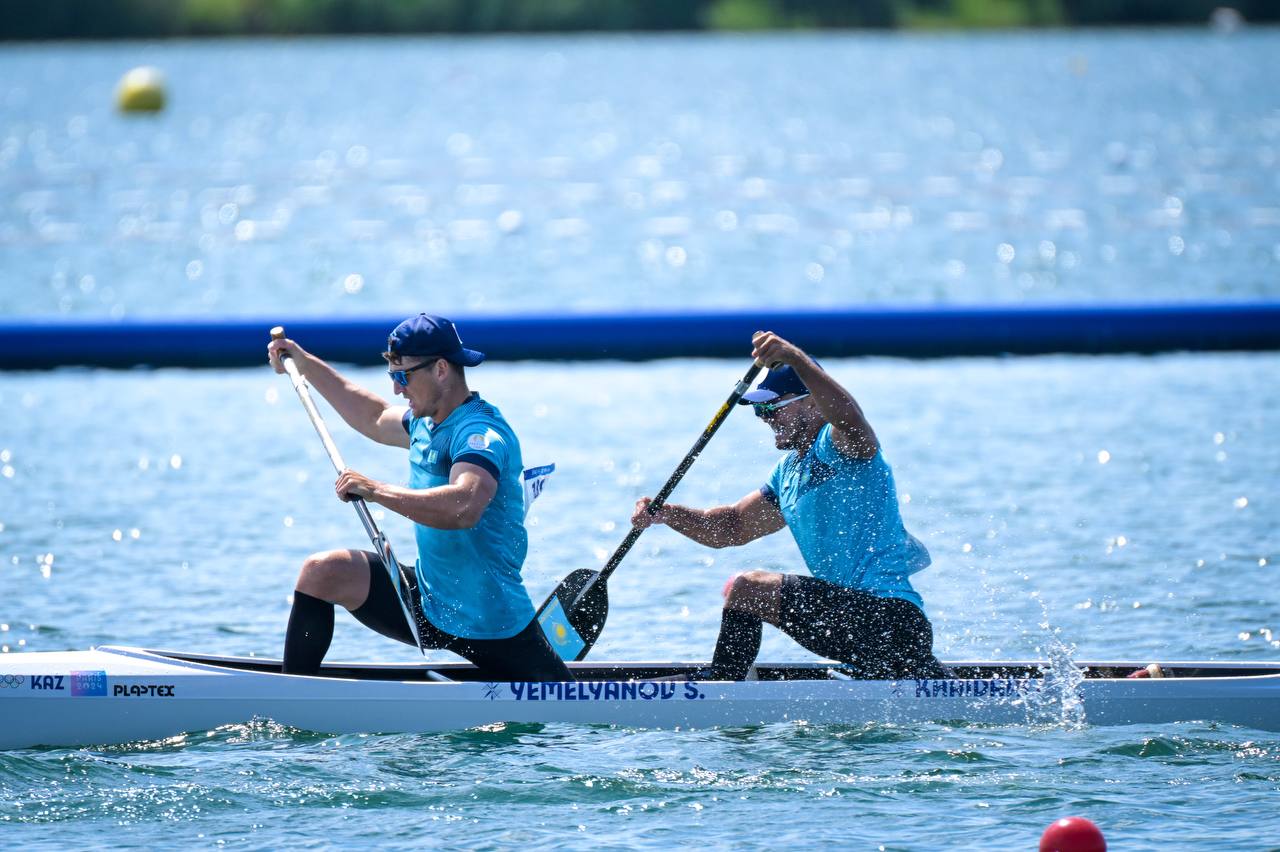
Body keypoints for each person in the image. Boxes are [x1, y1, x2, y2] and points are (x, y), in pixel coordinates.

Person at [267, 313, 572, 681]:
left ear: (441, 370)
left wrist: (376, 490)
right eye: (392, 376)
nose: (397, 389)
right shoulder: (424, 424)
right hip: (429, 602)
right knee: (323, 573)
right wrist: (303, 362)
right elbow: (374, 416)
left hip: (493, 623)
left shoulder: (480, 434)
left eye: (403, 376)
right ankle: (290, 696)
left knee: (557, 692)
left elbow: (465, 506)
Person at [631, 331, 945, 681]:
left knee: (747, 588)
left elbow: (848, 418)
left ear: (813, 404)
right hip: (859, 627)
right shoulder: (787, 474)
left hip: (892, 621)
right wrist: (668, 514)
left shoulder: (842, 446)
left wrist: (795, 358)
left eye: (771, 407)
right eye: (759, 411)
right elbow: (732, 527)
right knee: (746, 588)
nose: (764, 417)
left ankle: (721, 687)